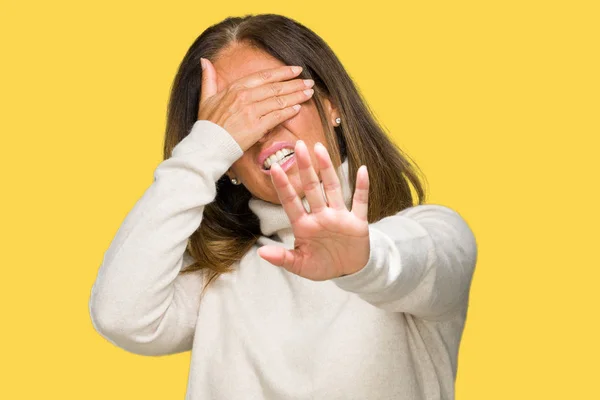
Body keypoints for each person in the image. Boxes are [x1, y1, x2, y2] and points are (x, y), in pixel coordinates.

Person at [88, 13, 478, 400]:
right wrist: (205, 149)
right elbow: (121, 315)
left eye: (274, 99)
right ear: (229, 166)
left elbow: (412, 262)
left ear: (331, 106)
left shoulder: (434, 233)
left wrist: (363, 259)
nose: (261, 128)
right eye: (234, 118)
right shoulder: (215, 285)